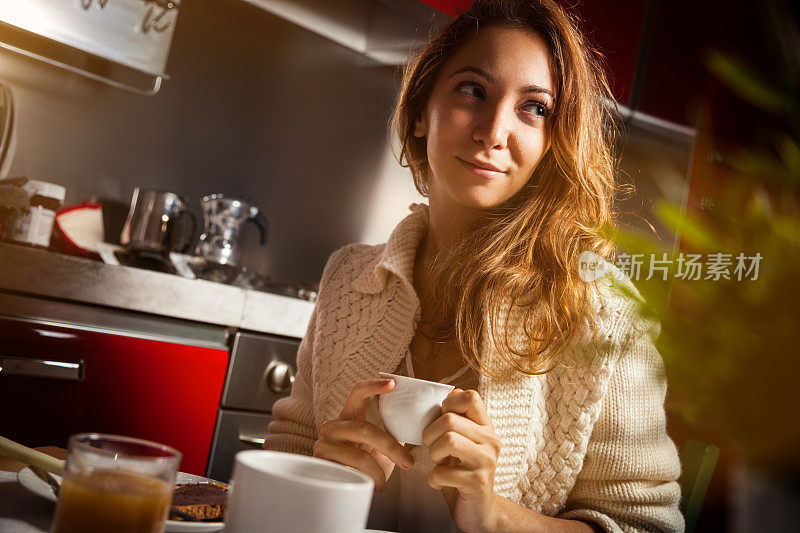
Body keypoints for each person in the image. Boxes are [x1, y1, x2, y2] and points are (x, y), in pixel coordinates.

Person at [264, 1, 683, 531]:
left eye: (534, 108)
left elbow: (647, 526)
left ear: (553, 143)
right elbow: (288, 454)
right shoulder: (348, 278)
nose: (493, 131)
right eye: (472, 90)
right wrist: (320, 480)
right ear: (420, 112)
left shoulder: (608, 316)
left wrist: (494, 517)